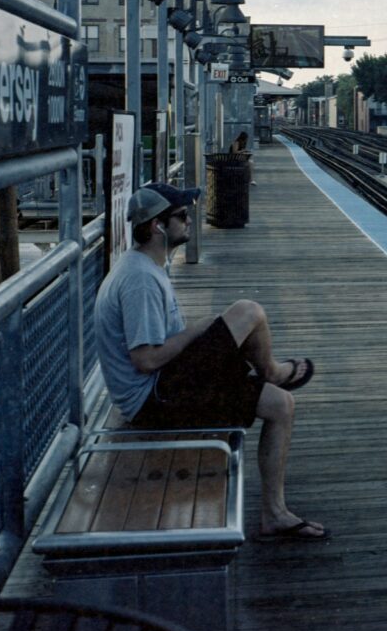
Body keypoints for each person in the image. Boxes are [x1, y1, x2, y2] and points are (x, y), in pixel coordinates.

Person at [94, 182, 328, 542]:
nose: (190, 220)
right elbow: (146, 360)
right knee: (248, 311)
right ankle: (272, 371)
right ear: (157, 226)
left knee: (281, 404)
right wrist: (200, 329)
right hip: (155, 400)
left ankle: (274, 514)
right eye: (181, 216)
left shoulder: (147, 266)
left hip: (167, 386)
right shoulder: (140, 279)